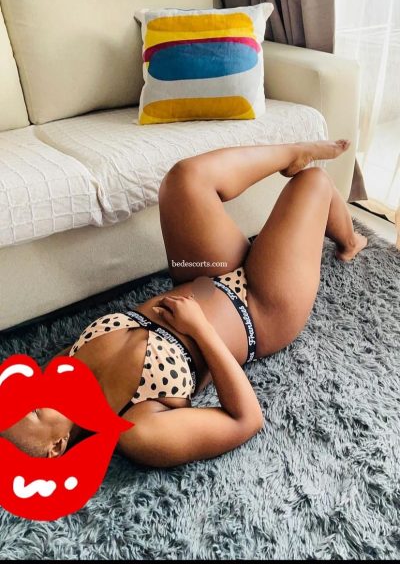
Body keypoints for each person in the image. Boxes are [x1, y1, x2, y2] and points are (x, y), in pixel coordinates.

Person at [1, 140, 368, 467]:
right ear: (56, 446)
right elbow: (246, 419)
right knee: (312, 183)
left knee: (183, 179)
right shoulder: (139, 431)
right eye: (35, 410)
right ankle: (350, 241)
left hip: (205, 274)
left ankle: (292, 152)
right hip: (258, 307)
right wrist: (200, 330)